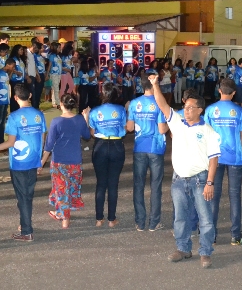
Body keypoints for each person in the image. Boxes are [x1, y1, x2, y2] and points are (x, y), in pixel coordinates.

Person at [148, 76, 219, 268]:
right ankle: (183, 248)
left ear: (200, 110)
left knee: (205, 218)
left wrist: (210, 182)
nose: (186, 111)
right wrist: (155, 85)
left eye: (190, 108)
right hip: (179, 180)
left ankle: (205, 252)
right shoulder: (177, 123)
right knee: (180, 216)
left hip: (200, 180)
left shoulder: (209, 131)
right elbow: (163, 105)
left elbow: (214, 159)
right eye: (185, 107)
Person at [0, 84, 46, 241]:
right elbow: (42, 138)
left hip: (19, 163)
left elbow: (10, 143)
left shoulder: (14, 117)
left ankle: (26, 231)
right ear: (30, 95)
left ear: (15, 98)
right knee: (27, 195)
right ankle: (24, 223)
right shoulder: (39, 115)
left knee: (23, 197)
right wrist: (40, 159)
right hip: (33, 160)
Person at [204, 77, 242, 245]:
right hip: (235, 157)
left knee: (213, 194)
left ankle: (212, 235)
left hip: (214, 157)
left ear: (219, 91)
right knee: (235, 195)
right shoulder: (239, 111)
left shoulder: (210, 110)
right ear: (234, 93)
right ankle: (235, 235)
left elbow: (205, 135)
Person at [40, 93, 91, 227]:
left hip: (59, 161)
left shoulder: (56, 121)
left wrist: (41, 163)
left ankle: (64, 218)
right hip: (75, 161)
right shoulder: (79, 119)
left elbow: (49, 145)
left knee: (61, 189)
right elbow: (87, 136)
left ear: (61, 105)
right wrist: (86, 118)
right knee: (71, 188)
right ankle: (62, 213)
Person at [126, 73, 168, 231]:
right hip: (156, 148)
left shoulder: (134, 103)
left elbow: (130, 128)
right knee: (155, 186)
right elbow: (162, 129)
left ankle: (140, 222)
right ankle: (154, 222)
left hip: (139, 148)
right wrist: (171, 122)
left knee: (138, 185)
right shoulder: (159, 103)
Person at [88, 82, 127, 227]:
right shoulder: (121, 110)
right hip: (117, 146)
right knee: (113, 183)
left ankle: (99, 219)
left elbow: (92, 133)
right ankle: (111, 219)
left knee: (101, 183)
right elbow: (124, 129)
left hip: (100, 146)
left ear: (103, 93)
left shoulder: (94, 111)